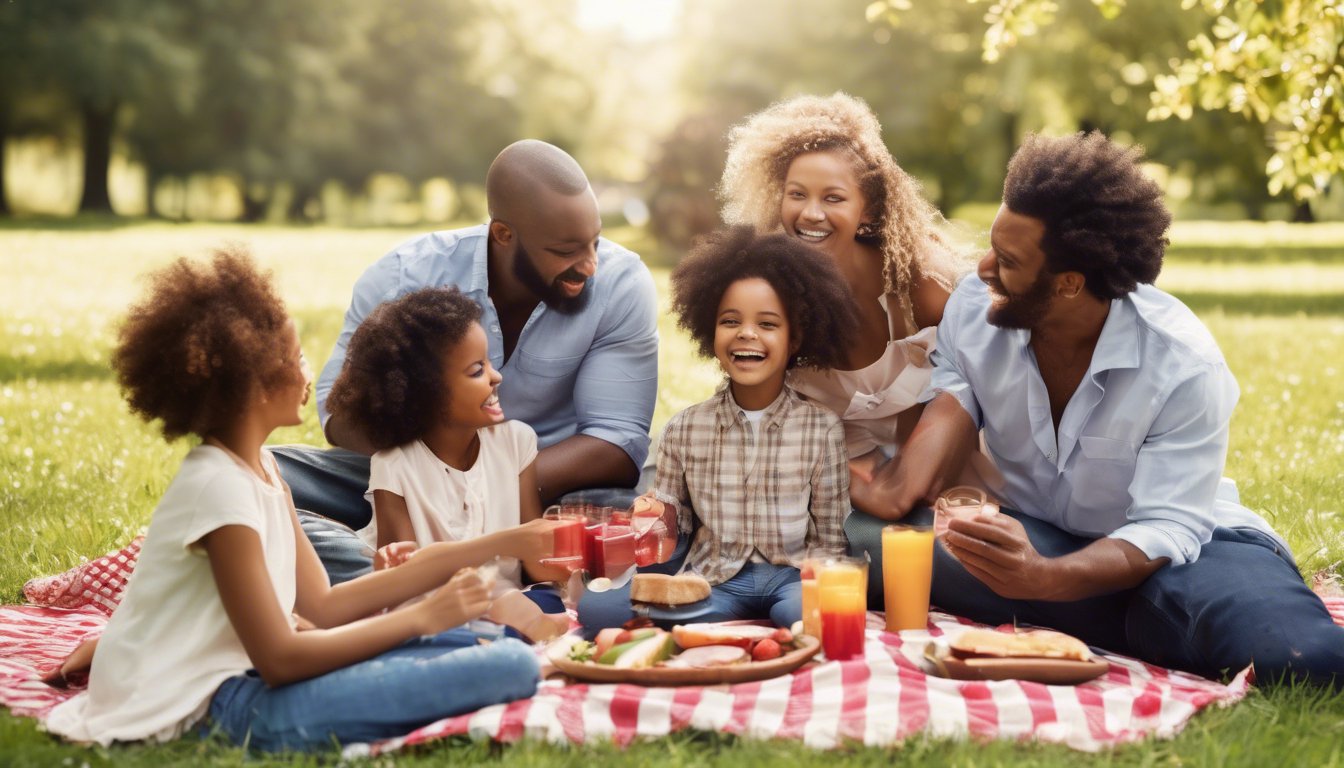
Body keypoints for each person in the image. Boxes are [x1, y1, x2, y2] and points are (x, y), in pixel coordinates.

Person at [850, 131, 1344, 686]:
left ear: (1068, 284)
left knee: (1306, 661)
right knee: (864, 538)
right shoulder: (976, 307)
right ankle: (1134, 624)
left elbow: (1167, 527)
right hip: (1040, 538)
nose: (983, 268)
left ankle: (1107, 614)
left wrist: (1043, 581)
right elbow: (949, 411)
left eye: (1007, 260)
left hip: (1184, 557)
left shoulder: (1181, 364)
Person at [44, 249, 549, 751]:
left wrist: (429, 592)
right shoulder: (218, 488)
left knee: (494, 644)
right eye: (297, 356)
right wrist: (420, 617)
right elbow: (281, 660)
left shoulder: (263, 470)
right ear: (256, 382)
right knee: (511, 664)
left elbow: (324, 607)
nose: (310, 370)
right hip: (211, 703)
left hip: (245, 675)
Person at [272, 140, 661, 584]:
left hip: (551, 485)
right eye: (566, 250)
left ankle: (394, 575)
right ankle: (413, 573)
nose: (589, 265)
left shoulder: (620, 283)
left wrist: (497, 481)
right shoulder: (404, 277)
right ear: (503, 234)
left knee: (647, 512)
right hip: (408, 479)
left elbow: (616, 439)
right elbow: (339, 413)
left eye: (594, 241)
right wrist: (440, 476)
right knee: (269, 476)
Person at [718, 92, 981, 527]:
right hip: (843, 471)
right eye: (796, 194)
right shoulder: (768, 296)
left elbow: (976, 382)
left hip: (953, 455)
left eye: (833, 198)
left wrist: (911, 482)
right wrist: (866, 489)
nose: (811, 213)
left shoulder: (916, 282)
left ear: (868, 209)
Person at [577, 227, 857, 630]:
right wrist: (655, 517)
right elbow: (673, 525)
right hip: (713, 581)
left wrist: (827, 590)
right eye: (731, 321)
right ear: (711, 333)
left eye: (768, 324)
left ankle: (797, 623)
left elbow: (831, 534)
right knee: (599, 610)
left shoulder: (821, 428)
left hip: (794, 577)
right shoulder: (685, 428)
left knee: (816, 618)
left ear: (795, 339)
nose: (747, 333)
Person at [325, 286, 572, 641]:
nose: (496, 376)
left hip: (512, 597)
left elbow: (535, 562)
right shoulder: (394, 466)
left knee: (537, 604)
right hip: (437, 608)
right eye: (476, 371)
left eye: (488, 363)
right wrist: (393, 558)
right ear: (427, 394)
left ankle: (524, 633)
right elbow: (400, 584)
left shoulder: (515, 441)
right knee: (473, 621)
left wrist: (568, 550)